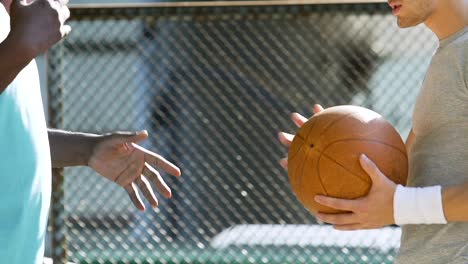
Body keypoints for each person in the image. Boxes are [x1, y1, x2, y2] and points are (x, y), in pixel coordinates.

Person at [279, 0, 468, 263]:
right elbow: (403, 178)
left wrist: (398, 206)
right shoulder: (450, 54)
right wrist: (329, 157)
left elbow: (401, 202)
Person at [0, 0, 181, 263]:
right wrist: (19, 47)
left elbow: (10, 135)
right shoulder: (18, 35)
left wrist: (88, 149)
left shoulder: (13, 22)